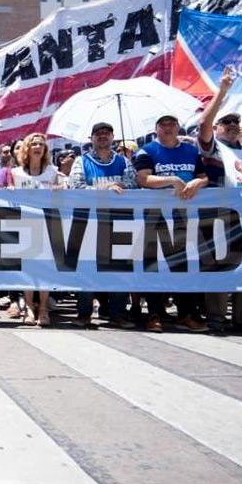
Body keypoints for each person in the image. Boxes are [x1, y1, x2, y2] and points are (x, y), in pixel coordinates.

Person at [197, 68, 242, 334]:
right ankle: (216, 317)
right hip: (220, 214)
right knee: (220, 264)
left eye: (236, 122)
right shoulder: (213, 147)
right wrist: (222, 92)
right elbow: (203, 125)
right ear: (217, 128)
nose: (232, 125)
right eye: (226, 122)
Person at [133, 114, 210, 333]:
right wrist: (172, 180)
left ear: (178, 128)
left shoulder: (191, 150)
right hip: (156, 217)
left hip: (186, 217)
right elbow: (143, 179)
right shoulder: (147, 151)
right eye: (163, 125)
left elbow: (204, 177)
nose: (168, 128)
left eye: (172, 124)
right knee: (155, 265)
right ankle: (154, 314)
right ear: (156, 129)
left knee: (184, 265)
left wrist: (198, 181)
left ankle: (185, 314)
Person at [67, 122, 137, 329]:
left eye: (106, 133)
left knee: (119, 271)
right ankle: (84, 314)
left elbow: (134, 185)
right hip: (90, 222)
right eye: (98, 134)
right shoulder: (82, 161)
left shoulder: (124, 161)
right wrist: (105, 187)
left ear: (113, 137)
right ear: (92, 138)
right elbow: (76, 187)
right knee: (87, 270)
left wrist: (122, 185)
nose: (102, 136)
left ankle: (117, 314)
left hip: (120, 221)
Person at [10, 133, 63, 326]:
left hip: (47, 224)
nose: (38, 146)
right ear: (27, 148)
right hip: (25, 225)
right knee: (28, 268)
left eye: (41, 144)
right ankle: (29, 307)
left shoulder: (52, 172)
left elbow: (61, 199)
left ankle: (43, 308)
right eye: (33, 143)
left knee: (44, 269)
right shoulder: (16, 173)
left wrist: (60, 190)